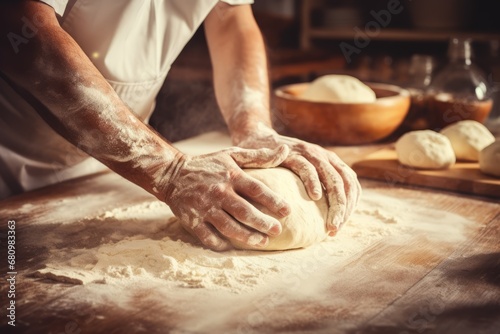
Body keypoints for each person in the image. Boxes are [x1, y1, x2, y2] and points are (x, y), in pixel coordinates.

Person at [0, 0, 361, 250]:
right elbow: (24, 34)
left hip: (113, 157)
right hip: (9, 158)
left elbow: (232, 19)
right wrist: (168, 171)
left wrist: (254, 127)